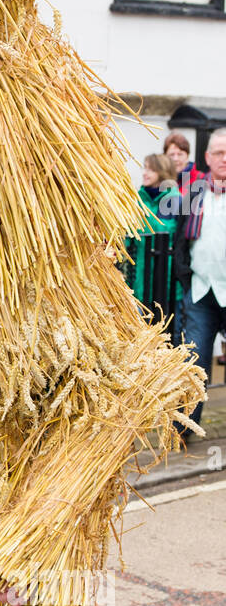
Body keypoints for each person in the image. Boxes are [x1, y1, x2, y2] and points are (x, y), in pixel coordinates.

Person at [174, 128, 226, 430]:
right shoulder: (194, 193)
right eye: (218, 153)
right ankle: (185, 429)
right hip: (201, 291)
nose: (223, 159)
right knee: (194, 363)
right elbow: (181, 239)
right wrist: (185, 277)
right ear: (207, 157)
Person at [127, 154, 181, 327]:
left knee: (166, 334)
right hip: (138, 278)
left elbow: (166, 233)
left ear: (162, 172)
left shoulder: (176, 200)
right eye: (145, 168)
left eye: (150, 169)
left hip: (166, 280)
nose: (145, 173)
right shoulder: (137, 199)